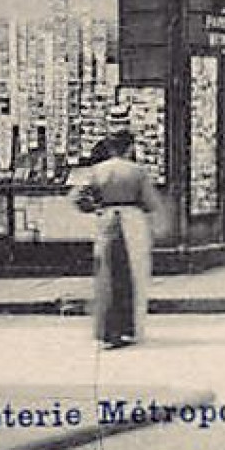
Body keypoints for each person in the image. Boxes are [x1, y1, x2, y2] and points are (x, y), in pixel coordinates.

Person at [76, 129, 161, 350]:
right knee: (133, 275)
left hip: (107, 222)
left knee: (107, 275)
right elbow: (150, 202)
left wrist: (98, 207)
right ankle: (128, 328)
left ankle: (107, 330)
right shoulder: (137, 172)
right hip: (132, 223)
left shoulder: (98, 171)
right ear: (129, 147)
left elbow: (79, 198)